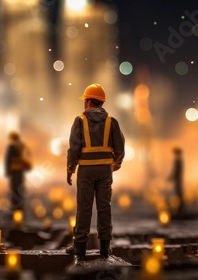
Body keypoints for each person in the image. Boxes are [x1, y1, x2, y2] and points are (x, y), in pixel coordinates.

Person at [66, 83, 125, 262]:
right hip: (105, 171)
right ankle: (105, 249)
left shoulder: (80, 120)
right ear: (101, 102)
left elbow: (74, 147)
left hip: (86, 171)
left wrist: (70, 168)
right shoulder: (111, 121)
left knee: (84, 207)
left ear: (89, 102)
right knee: (104, 207)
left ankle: (80, 248)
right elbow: (120, 147)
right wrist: (116, 164)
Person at [4, 131, 31, 214]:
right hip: (21, 170)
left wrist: (7, 170)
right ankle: (20, 207)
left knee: (13, 189)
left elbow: (8, 159)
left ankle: (14, 208)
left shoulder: (12, 146)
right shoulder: (22, 145)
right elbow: (27, 155)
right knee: (20, 188)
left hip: (14, 170)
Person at [168, 147, 184, 215]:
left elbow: (176, 170)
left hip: (178, 180)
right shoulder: (178, 160)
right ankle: (180, 207)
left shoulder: (178, 160)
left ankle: (180, 208)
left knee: (178, 193)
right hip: (178, 179)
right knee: (178, 193)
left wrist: (171, 177)